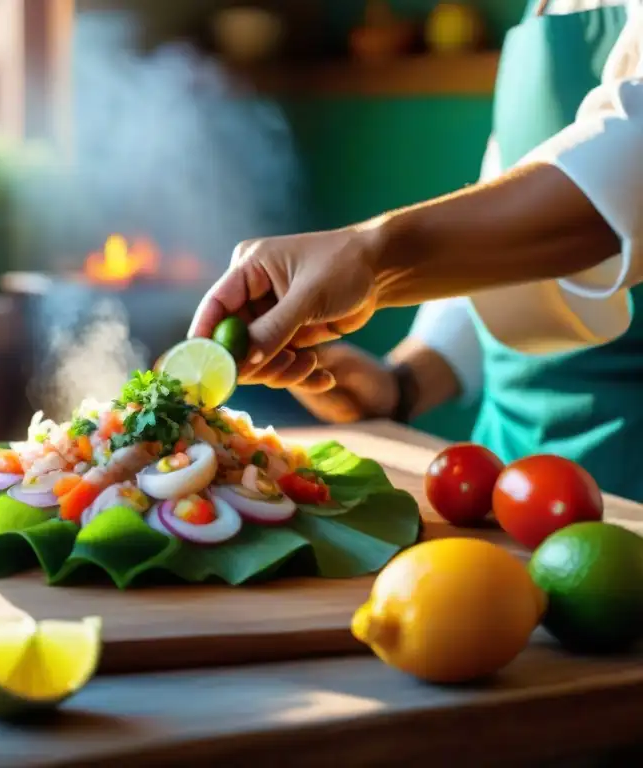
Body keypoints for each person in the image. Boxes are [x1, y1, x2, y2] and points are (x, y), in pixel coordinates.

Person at [190, 0, 643, 499]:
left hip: (626, 476)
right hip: (507, 479)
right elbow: (503, 219)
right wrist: (403, 381)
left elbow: (614, 185)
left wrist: (370, 253)